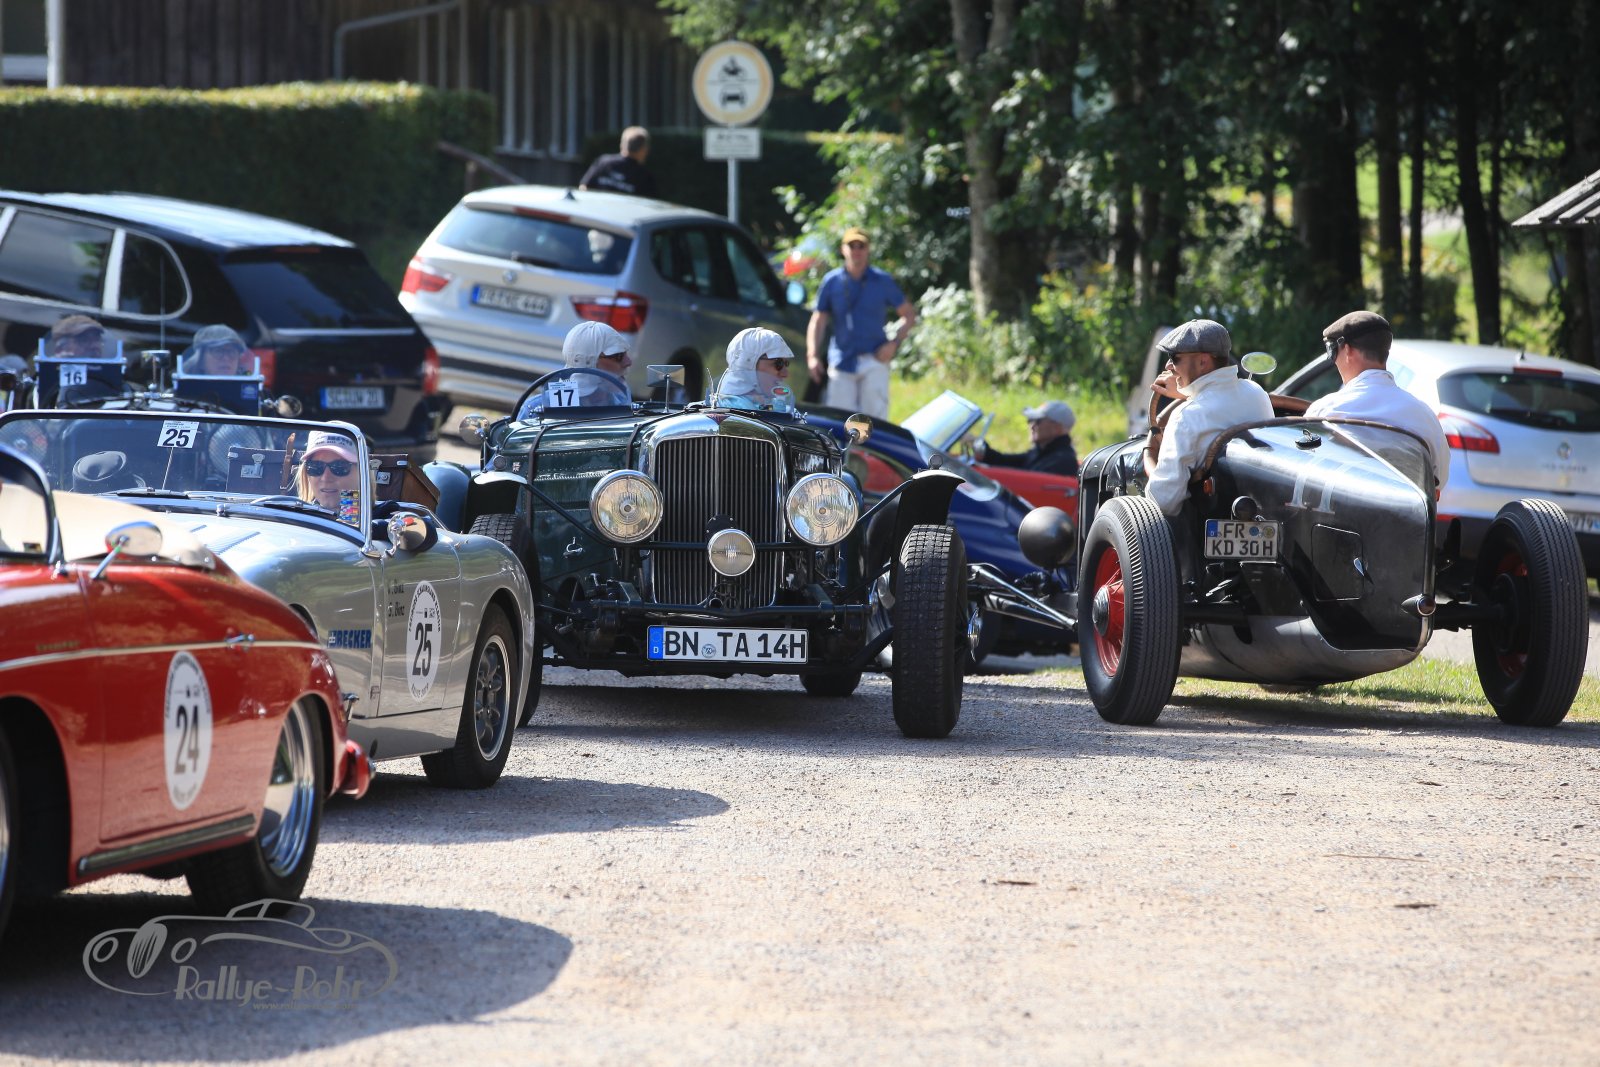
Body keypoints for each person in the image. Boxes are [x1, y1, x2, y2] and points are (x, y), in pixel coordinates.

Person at [1304, 311, 1451, 489]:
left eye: (1332, 352)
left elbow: (1303, 470)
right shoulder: (1424, 416)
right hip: (1403, 507)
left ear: (1347, 350)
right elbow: (1439, 481)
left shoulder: (1323, 413)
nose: (1333, 360)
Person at [1143, 319, 1274, 516]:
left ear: (1203, 362)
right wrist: (1189, 393)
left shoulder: (1187, 417)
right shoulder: (1256, 393)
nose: (1168, 366)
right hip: (1265, 511)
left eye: (1174, 358)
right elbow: (1220, 403)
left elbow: (1164, 501)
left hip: (1206, 523)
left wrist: (1149, 466)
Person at [805, 227, 917, 420]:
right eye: (852, 245)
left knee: (875, 423)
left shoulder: (882, 280)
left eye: (861, 246)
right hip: (841, 361)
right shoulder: (831, 281)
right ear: (843, 249)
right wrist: (812, 356)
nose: (856, 250)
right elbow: (818, 320)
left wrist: (894, 343)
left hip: (874, 360)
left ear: (868, 249)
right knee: (838, 423)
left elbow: (908, 315)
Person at [516, 321, 633, 419]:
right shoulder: (537, 411)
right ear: (588, 361)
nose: (628, 362)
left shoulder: (623, 403)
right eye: (618, 356)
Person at [975, 399, 1079, 476]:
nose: (1031, 426)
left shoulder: (1063, 461)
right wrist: (981, 449)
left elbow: (1027, 481)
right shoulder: (1041, 452)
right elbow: (1004, 461)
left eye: (1038, 421)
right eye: (1030, 420)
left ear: (1056, 428)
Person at [716, 327, 795, 409]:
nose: (786, 374)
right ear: (747, 363)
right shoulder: (735, 410)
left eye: (786, 364)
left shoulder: (763, 405)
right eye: (779, 363)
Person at [295, 431, 363, 523]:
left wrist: (350, 505)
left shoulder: (380, 523)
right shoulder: (293, 520)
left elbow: (349, 524)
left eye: (340, 467)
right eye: (316, 467)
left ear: (361, 472)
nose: (326, 478)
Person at [578, 126, 658, 198]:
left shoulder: (604, 162)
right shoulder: (644, 177)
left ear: (622, 145)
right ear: (644, 150)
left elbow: (584, 187)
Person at [181, 324, 253, 376]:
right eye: (218, 351)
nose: (226, 358)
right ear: (200, 359)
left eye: (231, 352)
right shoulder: (183, 389)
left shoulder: (251, 389)